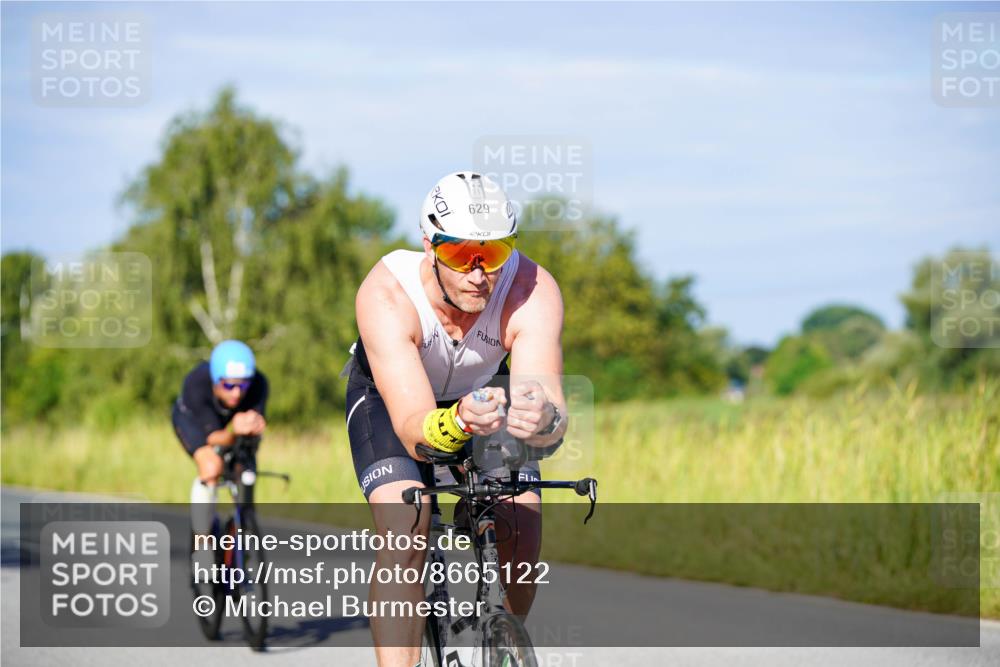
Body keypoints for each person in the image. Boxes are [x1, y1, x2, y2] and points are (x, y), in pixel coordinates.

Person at [344, 172, 568, 667]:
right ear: (429, 246)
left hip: (485, 399)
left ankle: (501, 645)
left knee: (522, 533)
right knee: (407, 528)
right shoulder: (386, 294)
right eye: (460, 254)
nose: (477, 273)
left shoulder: (532, 288)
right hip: (392, 403)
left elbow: (551, 406)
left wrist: (544, 417)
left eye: (492, 253)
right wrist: (457, 425)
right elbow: (412, 426)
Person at [172, 339, 268, 544]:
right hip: (195, 424)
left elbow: (255, 429)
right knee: (211, 467)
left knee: (246, 473)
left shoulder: (259, 383)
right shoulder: (197, 383)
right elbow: (214, 437)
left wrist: (255, 428)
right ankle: (202, 543)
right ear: (216, 380)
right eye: (229, 385)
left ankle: (244, 527)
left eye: (243, 385)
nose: (237, 392)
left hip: (232, 426)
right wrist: (235, 428)